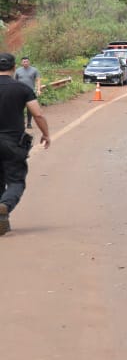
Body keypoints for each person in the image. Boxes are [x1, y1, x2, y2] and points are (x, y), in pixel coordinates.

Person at [0, 51, 51, 236]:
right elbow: (37, 114)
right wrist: (46, 134)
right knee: (15, 181)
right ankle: (4, 206)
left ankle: (1, 218)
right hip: (13, 142)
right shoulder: (21, 88)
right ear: (14, 68)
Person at [14, 56, 39, 129]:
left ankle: (29, 123)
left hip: (30, 92)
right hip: (19, 92)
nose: (25, 63)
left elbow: (37, 80)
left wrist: (38, 89)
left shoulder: (34, 70)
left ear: (29, 62)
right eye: (24, 62)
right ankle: (21, 122)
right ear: (21, 63)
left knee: (30, 108)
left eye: (27, 61)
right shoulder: (17, 71)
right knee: (19, 108)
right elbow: (14, 81)